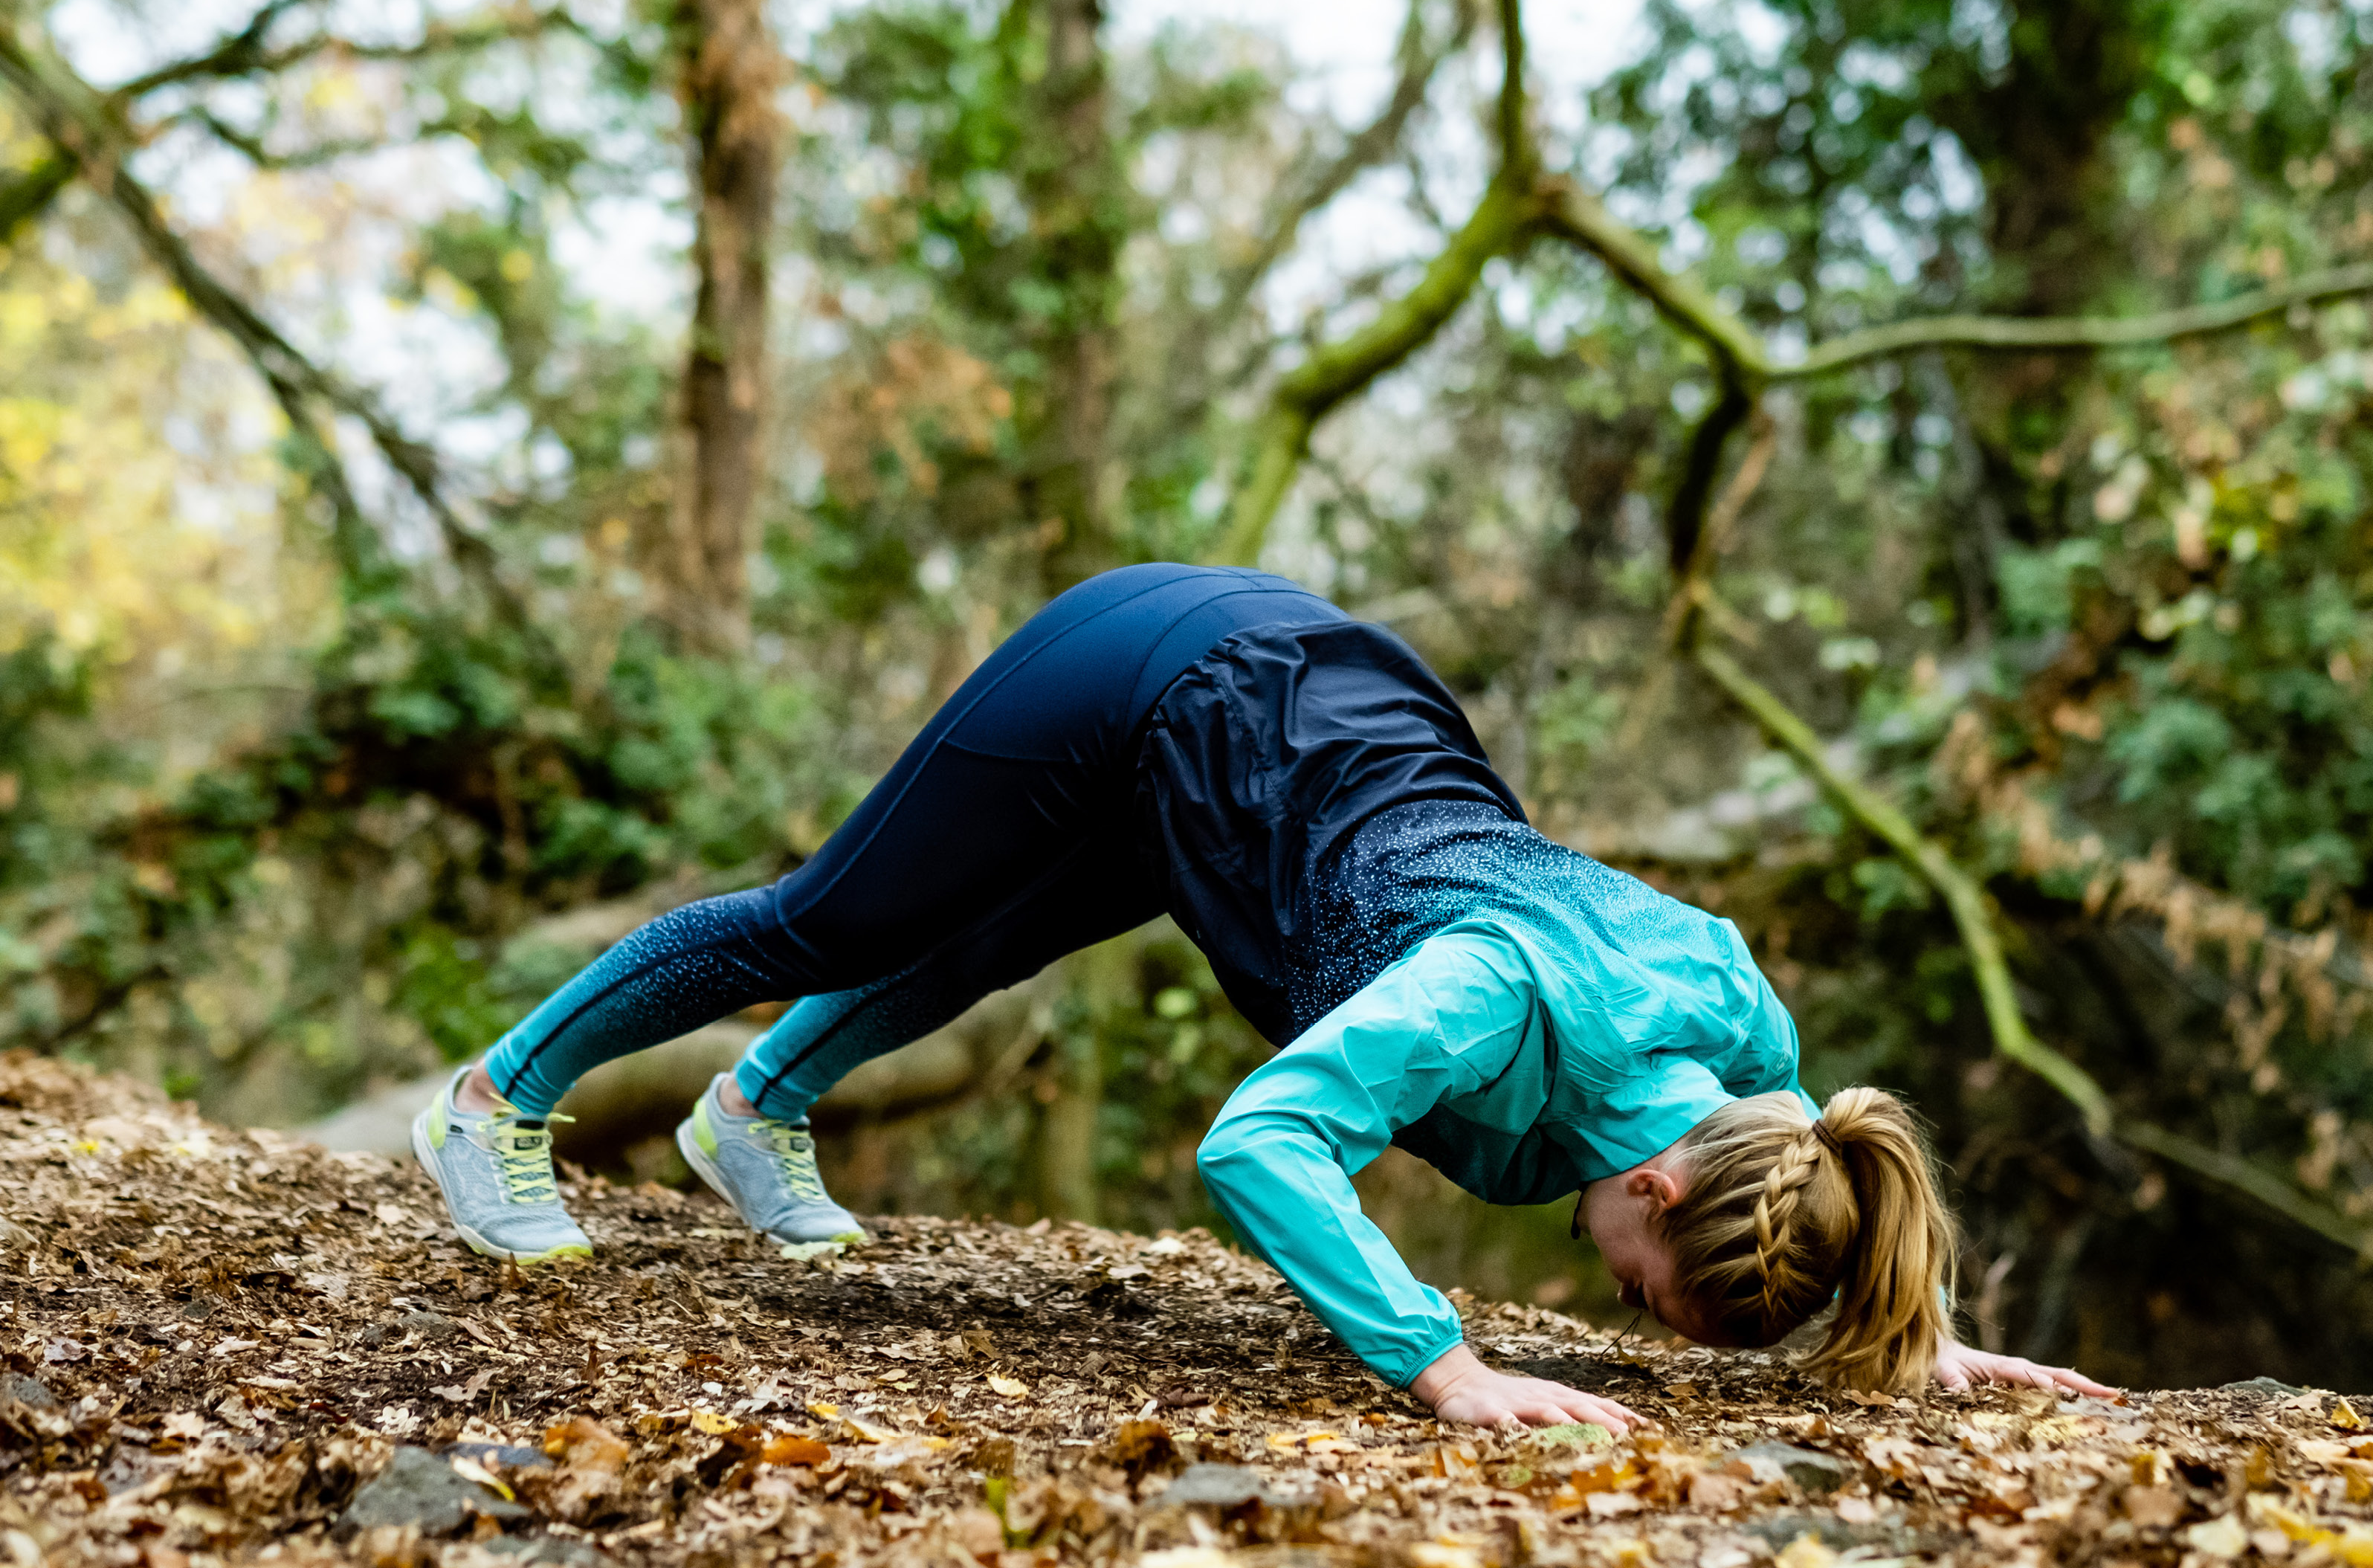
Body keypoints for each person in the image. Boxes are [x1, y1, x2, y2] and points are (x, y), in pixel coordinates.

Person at [411, 564, 2111, 1428]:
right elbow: (1264, 1139)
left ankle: (752, 1111)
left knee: (990, 939)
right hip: (1167, 675)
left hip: (1277, 758)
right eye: (1659, 1298)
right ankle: (495, 1099)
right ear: (1651, 1191)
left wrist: (1918, 1338)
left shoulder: (1749, 1054)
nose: (1636, 1321)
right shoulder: (1482, 1003)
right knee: (831, 918)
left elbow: (1816, 1156)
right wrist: (1436, 1364)